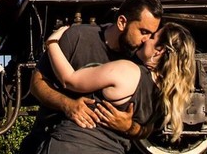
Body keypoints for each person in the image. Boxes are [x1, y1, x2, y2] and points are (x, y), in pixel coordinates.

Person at [20, 0, 162, 154]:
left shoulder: (140, 62)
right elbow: (37, 83)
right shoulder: (78, 37)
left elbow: (148, 128)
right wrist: (67, 105)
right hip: (52, 141)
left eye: (151, 34)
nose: (147, 39)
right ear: (122, 22)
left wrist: (129, 127)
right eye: (143, 31)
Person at [42, 22, 198, 154]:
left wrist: (52, 43)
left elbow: (69, 80)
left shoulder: (127, 71)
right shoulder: (167, 95)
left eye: (152, 37)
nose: (145, 40)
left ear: (160, 50)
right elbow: (146, 130)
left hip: (74, 145)